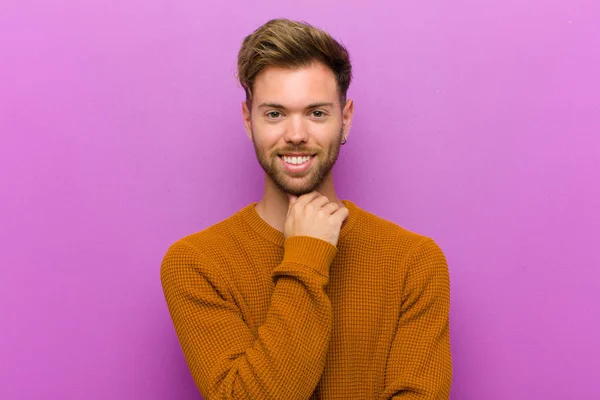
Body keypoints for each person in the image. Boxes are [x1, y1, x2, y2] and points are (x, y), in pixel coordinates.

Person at [160, 18, 452, 399]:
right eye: (275, 114)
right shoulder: (196, 263)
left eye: (316, 113)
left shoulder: (414, 261)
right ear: (249, 121)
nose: (296, 135)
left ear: (344, 119)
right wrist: (306, 257)